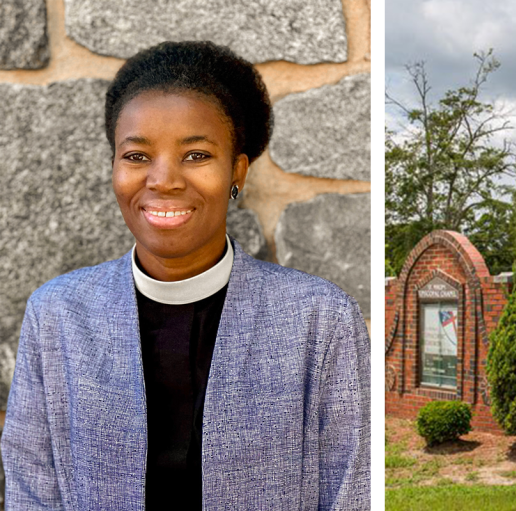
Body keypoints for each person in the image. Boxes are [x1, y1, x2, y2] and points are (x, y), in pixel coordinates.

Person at [1, 41, 370, 511]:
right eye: (136, 156)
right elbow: (32, 491)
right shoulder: (56, 315)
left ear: (237, 169)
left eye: (196, 155)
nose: (164, 179)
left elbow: (351, 492)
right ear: (114, 166)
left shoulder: (319, 321)